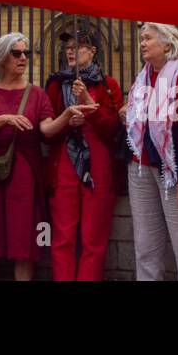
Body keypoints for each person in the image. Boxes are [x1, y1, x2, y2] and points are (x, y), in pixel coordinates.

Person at [0, 32, 85, 280]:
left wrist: (67, 116)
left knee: (24, 236)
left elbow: (46, 130)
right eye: (17, 53)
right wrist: (5, 118)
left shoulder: (36, 94)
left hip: (24, 174)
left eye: (25, 53)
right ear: (3, 58)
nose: (23, 57)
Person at [122, 22, 178, 281]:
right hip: (141, 167)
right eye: (141, 39)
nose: (142, 44)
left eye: (148, 39)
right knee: (146, 246)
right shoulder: (143, 76)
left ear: (168, 44)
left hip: (176, 169)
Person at [44, 29, 124, 281]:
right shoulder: (55, 85)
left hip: (98, 166)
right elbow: (46, 131)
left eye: (77, 46)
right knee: (62, 236)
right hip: (64, 163)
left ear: (92, 52)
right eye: (67, 46)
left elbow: (112, 129)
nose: (70, 50)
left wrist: (88, 102)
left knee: (93, 238)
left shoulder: (108, 85)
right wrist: (68, 121)